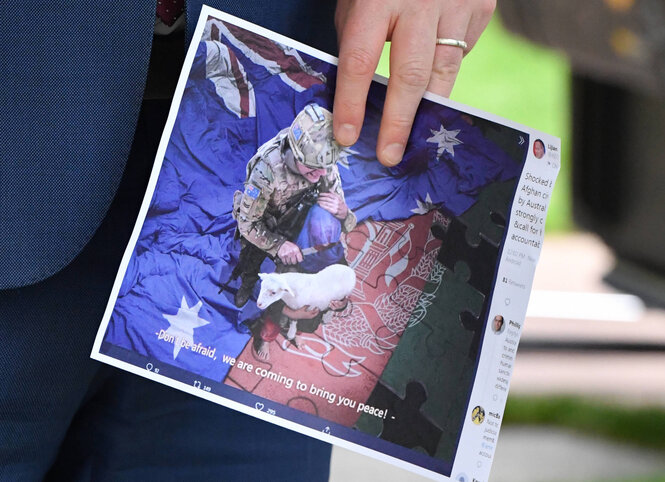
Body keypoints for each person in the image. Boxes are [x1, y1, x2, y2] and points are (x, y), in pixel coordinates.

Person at [1, 1, 494, 480]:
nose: (312, 171)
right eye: (305, 164)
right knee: (243, 269)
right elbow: (249, 222)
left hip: (279, 24)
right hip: (32, 151)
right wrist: (277, 248)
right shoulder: (268, 166)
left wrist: (340, 214)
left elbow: (338, 205)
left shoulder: (318, 162)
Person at [230, 103, 356, 308]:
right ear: (295, 155)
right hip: (265, 225)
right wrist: (278, 245)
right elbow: (248, 224)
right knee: (250, 259)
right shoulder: (267, 170)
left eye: (326, 167)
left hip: (299, 220)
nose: (322, 174)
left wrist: (344, 213)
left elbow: (344, 220)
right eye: (314, 168)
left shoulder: (322, 158)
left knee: (324, 223)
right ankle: (248, 281)